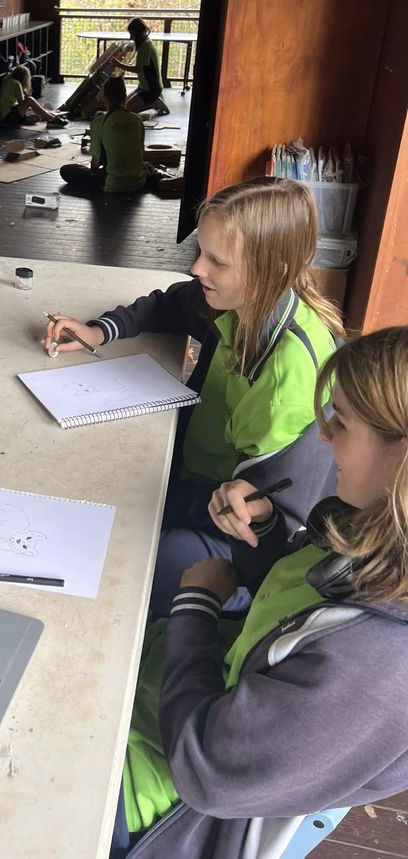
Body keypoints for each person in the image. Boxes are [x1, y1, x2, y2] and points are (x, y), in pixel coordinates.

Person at [113, 326, 408, 858]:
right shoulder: (372, 532)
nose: (324, 436)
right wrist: (267, 531)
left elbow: (207, 773)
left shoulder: (379, 664)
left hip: (154, 787)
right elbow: (292, 605)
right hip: (161, 679)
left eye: (342, 422)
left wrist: (195, 610)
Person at [44, 177, 344, 614]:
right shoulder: (239, 298)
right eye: (200, 251)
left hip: (241, 542)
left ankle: (223, 606)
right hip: (196, 481)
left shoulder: (286, 384)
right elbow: (169, 304)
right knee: (96, 499)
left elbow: (261, 527)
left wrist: (153, 498)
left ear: (272, 269)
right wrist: (99, 330)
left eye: (216, 261)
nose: (196, 268)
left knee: (113, 564)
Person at [60, 78, 180, 198]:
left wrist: (95, 171)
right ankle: (160, 182)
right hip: (138, 182)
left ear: (104, 99)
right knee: (148, 167)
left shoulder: (98, 122)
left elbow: (95, 164)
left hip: (111, 184)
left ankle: (115, 180)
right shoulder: (137, 120)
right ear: (125, 97)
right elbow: (141, 154)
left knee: (67, 170)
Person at [114, 19, 169, 116]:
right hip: (144, 86)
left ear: (138, 33)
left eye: (132, 34)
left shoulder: (145, 47)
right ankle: (154, 101)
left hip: (150, 89)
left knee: (126, 110)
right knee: (124, 105)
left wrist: (119, 65)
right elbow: (131, 47)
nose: (131, 37)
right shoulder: (146, 42)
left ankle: (153, 104)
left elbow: (137, 69)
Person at [0, 64, 67, 129]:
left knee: (37, 116)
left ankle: (48, 115)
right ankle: (51, 118)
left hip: (3, 116)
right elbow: (23, 103)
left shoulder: (7, 80)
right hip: (7, 117)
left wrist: (42, 110)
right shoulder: (16, 83)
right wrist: (41, 110)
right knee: (30, 100)